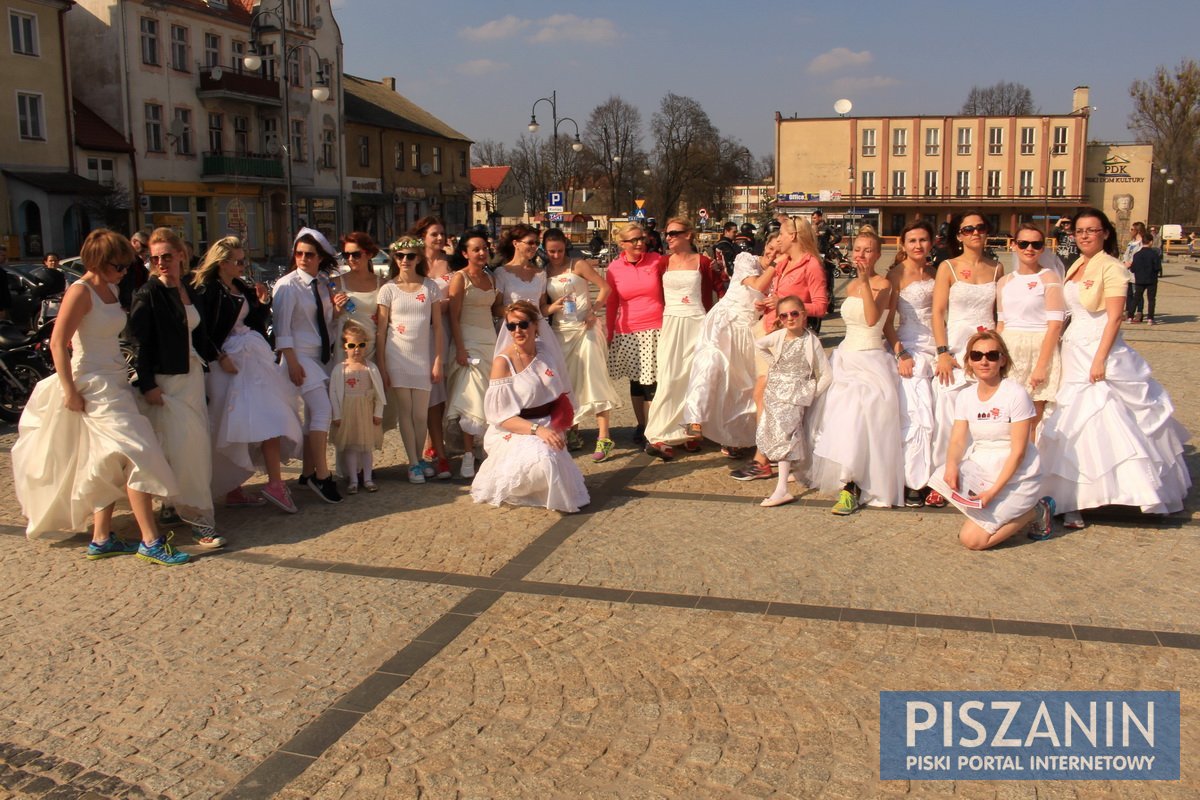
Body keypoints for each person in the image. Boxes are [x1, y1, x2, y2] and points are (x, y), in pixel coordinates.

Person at [13, 229, 187, 565]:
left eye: (126, 266)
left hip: (116, 380)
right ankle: (150, 539)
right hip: (92, 384)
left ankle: (102, 536)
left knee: (107, 458)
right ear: (98, 261)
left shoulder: (111, 287)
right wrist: (69, 391)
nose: (124, 272)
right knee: (137, 451)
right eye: (118, 266)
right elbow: (57, 342)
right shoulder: (79, 292)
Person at [1039, 208, 1191, 528]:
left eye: (1091, 230)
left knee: (1104, 420)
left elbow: (1114, 317)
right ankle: (1073, 497)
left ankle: (1122, 490)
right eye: (1080, 230)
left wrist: (1100, 358)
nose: (1084, 236)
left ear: (1105, 233)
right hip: (1073, 348)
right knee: (1071, 423)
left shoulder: (1112, 267)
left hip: (1099, 350)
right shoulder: (1077, 265)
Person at [129, 227, 225, 548]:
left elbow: (199, 334)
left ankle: (172, 505)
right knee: (184, 448)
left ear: (181, 255)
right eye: (154, 258)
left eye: (167, 256)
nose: (160, 263)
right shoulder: (147, 294)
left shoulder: (189, 289)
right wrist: (147, 385)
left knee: (189, 447)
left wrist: (220, 356)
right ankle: (200, 520)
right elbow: (139, 343)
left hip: (192, 378)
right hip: (165, 381)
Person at [193, 235, 302, 514]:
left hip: (253, 357)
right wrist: (218, 356)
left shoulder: (240, 286)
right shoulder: (207, 290)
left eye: (244, 260)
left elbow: (252, 320)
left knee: (271, 416)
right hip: (227, 361)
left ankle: (274, 482)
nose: (243, 266)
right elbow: (201, 331)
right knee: (228, 423)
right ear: (223, 263)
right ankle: (233, 487)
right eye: (239, 261)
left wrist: (261, 304)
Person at [927, 331, 1054, 550]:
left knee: (972, 540)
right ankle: (991, 512)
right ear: (969, 361)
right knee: (941, 477)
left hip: (1016, 476)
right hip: (983, 467)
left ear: (1002, 359)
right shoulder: (966, 396)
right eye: (977, 356)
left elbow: (1019, 453)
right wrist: (950, 465)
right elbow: (957, 441)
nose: (984, 361)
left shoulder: (1015, 394)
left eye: (992, 355)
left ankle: (1037, 510)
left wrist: (993, 492)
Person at [808, 227, 903, 513]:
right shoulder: (848, 286)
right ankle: (846, 480)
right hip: (847, 355)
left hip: (871, 356)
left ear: (877, 254)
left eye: (867, 250)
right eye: (857, 249)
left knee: (865, 411)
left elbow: (875, 320)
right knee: (839, 411)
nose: (860, 254)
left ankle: (857, 480)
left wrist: (864, 282)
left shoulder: (883, 285)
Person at [731, 215, 827, 481]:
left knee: (768, 397)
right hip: (770, 333)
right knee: (763, 397)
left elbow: (821, 305)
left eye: (782, 234)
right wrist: (770, 304)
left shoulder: (812, 265)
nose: (778, 239)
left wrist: (785, 304)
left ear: (794, 236)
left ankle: (763, 459)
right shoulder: (784, 262)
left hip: (789, 340)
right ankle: (774, 455)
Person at [470, 301, 589, 512]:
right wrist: (538, 430)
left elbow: (559, 394)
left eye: (523, 324)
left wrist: (558, 424)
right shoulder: (503, 363)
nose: (517, 331)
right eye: (511, 326)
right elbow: (501, 417)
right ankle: (519, 486)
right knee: (545, 463)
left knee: (551, 459)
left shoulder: (546, 352)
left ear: (536, 326)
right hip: (515, 428)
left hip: (548, 424)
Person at [928, 211, 1002, 506]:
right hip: (955, 352)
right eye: (968, 229)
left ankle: (977, 479)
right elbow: (937, 313)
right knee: (948, 418)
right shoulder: (948, 267)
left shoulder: (997, 268)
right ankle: (942, 478)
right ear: (958, 235)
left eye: (980, 228)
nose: (975, 233)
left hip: (985, 354)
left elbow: (998, 315)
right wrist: (943, 352)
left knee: (984, 419)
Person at [273, 227, 347, 504]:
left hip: (320, 356)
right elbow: (282, 328)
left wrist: (337, 311)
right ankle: (322, 475)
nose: (303, 258)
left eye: (309, 254)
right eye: (299, 253)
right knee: (322, 412)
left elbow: (325, 324)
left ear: (319, 258)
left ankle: (306, 472)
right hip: (299, 356)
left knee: (313, 416)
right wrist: (291, 362)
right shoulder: (287, 285)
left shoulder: (323, 283)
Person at [542, 227, 621, 461]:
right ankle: (572, 430)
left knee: (592, 377)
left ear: (566, 246)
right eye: (551, 251)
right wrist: (551, 308)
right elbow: (542, 308)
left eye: (559, 250)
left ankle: (604, 436)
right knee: (567, 383)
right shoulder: (543, 271)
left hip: (585, 328)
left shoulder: (578, 264)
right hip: (560, 332)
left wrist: (593, 311)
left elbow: (605, 287)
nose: (556, 255)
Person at [643, 218, 715, 459]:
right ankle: (657, 433)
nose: (669, 237)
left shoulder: (703, 262)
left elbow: (717, 292)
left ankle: (689, 430)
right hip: (672, 322)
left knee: (693, 377)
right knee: (669, 376)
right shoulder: (663, 262)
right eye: (667, 233)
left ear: (689, 235)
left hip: (697, 321)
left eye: (674, 233)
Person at [682, 250, 766, 458]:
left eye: (779, 248)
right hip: (724, 323)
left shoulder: (781, 271)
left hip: (748, 330)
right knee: (710, 361)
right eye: (771, 246)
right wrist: (774, 266)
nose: (774, 251)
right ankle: (694, 417)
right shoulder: (746, 258)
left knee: (739, 383)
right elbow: (756, 285)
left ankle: (734, 438)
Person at [376, 237, 444, 484]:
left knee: (420, 414)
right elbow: (382, 331)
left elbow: (437, 327)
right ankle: (413, 462)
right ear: (394, 258)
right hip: (397, 356)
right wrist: (383, 367)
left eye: (410, 256)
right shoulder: (387, 289)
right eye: (399, 256)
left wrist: (437, 360)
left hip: (422, 357)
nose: (405, 260)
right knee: (405, 411)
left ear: (418, 258)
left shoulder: (430, 287)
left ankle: (419, 458)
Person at [754, 296, 831, 507]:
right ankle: (793, 473)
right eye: (784, 315)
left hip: (795, 395)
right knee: (779, 432)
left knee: (786, 435)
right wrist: (774, 365)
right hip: (776, 391)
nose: (790, 319)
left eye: (794, 313)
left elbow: (826, 374)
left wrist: (811, 393)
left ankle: (782, 489)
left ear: (803, 315)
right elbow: (759, 344)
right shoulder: (779, 337)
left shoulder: (811, 341)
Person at [883, 220, 938, 507]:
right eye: (913, 240)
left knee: (941, 410)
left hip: (938, 345)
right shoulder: (895, 275)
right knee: (915, 412)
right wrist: (900, 353)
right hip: (909, 345)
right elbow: (887, 322)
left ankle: (936, 477)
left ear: (931, 243)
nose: (918, 245)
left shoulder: (935, 273)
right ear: (903, 244)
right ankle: (911, 480)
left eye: (923, 240)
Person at [996, 224, 1065, 436]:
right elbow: (1001, 323)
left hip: (1038, 347)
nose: (1029, 249)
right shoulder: (1004, 281)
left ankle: (1031, 464)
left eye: (1036, 244)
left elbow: (1055, 325)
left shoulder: (1049, 279)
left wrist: (1041, 366)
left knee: (1033, 415)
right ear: (1014, 245)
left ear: (1042, 249)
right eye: (1024, 243)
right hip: (1010, 349)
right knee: (1008, 412)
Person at [605, 223, 667, 445]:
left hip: (656, 328)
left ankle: (652, 429)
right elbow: (612, 303)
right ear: (622, 244)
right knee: (636, 381)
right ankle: (641, 425)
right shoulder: (614, 268)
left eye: (641, 238)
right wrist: (609, 332)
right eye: (633, 240)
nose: (640, 243)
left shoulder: (657, 261)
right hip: (628, 331)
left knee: (653, 382)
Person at [445, 230, 499, 478]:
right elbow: (453, 317)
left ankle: (484, 449)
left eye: (484, 248)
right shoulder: (460, 278)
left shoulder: (492, 278)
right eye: (476, 249)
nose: (481, 253)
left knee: (490, 397)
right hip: (467, 341)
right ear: (465, 253)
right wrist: (461, 348)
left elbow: (496, 309)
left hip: (490, 341)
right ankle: (467, 454)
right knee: (470, 399)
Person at [410, 216, 455, 480]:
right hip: (422, 335)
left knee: (444, 393)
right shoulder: (412, 262)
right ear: (423, 237)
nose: (439, 238)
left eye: (441, 234)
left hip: (446, 330)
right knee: (431, 395)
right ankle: (439, 451)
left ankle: (433, 442)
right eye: (433, 234)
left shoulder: (450, 263)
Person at [330, 321, 386, 494]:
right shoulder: (340, 369)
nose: (357, 349)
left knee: (366, 448)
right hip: (348, 412)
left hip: (366, 412)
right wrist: (337, 415)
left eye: (361, 345)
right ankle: (353, 479)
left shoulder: (371, 367)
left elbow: (379, 392)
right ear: (344, 346)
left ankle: (367, 478)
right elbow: (333, 393)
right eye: (352, 345)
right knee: (351, 447)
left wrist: (378, 412)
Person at [1128, 232, 1162, 324]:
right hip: (1151, 280)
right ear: (1151, 242)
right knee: (1151, 299)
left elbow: (1133, 269)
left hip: (1139, 279)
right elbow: (1158, 268)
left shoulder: (1137, 255)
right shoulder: (1154, 254)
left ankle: (1130, 317)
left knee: (1136, 298)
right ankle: (1150, 319)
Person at [118, 230, 150, 311]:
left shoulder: (138, 262)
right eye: (144, 246)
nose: (146, 250)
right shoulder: (121, 258)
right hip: (125, 306)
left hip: (136, 305)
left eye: (148, 248)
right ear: (135, 242)